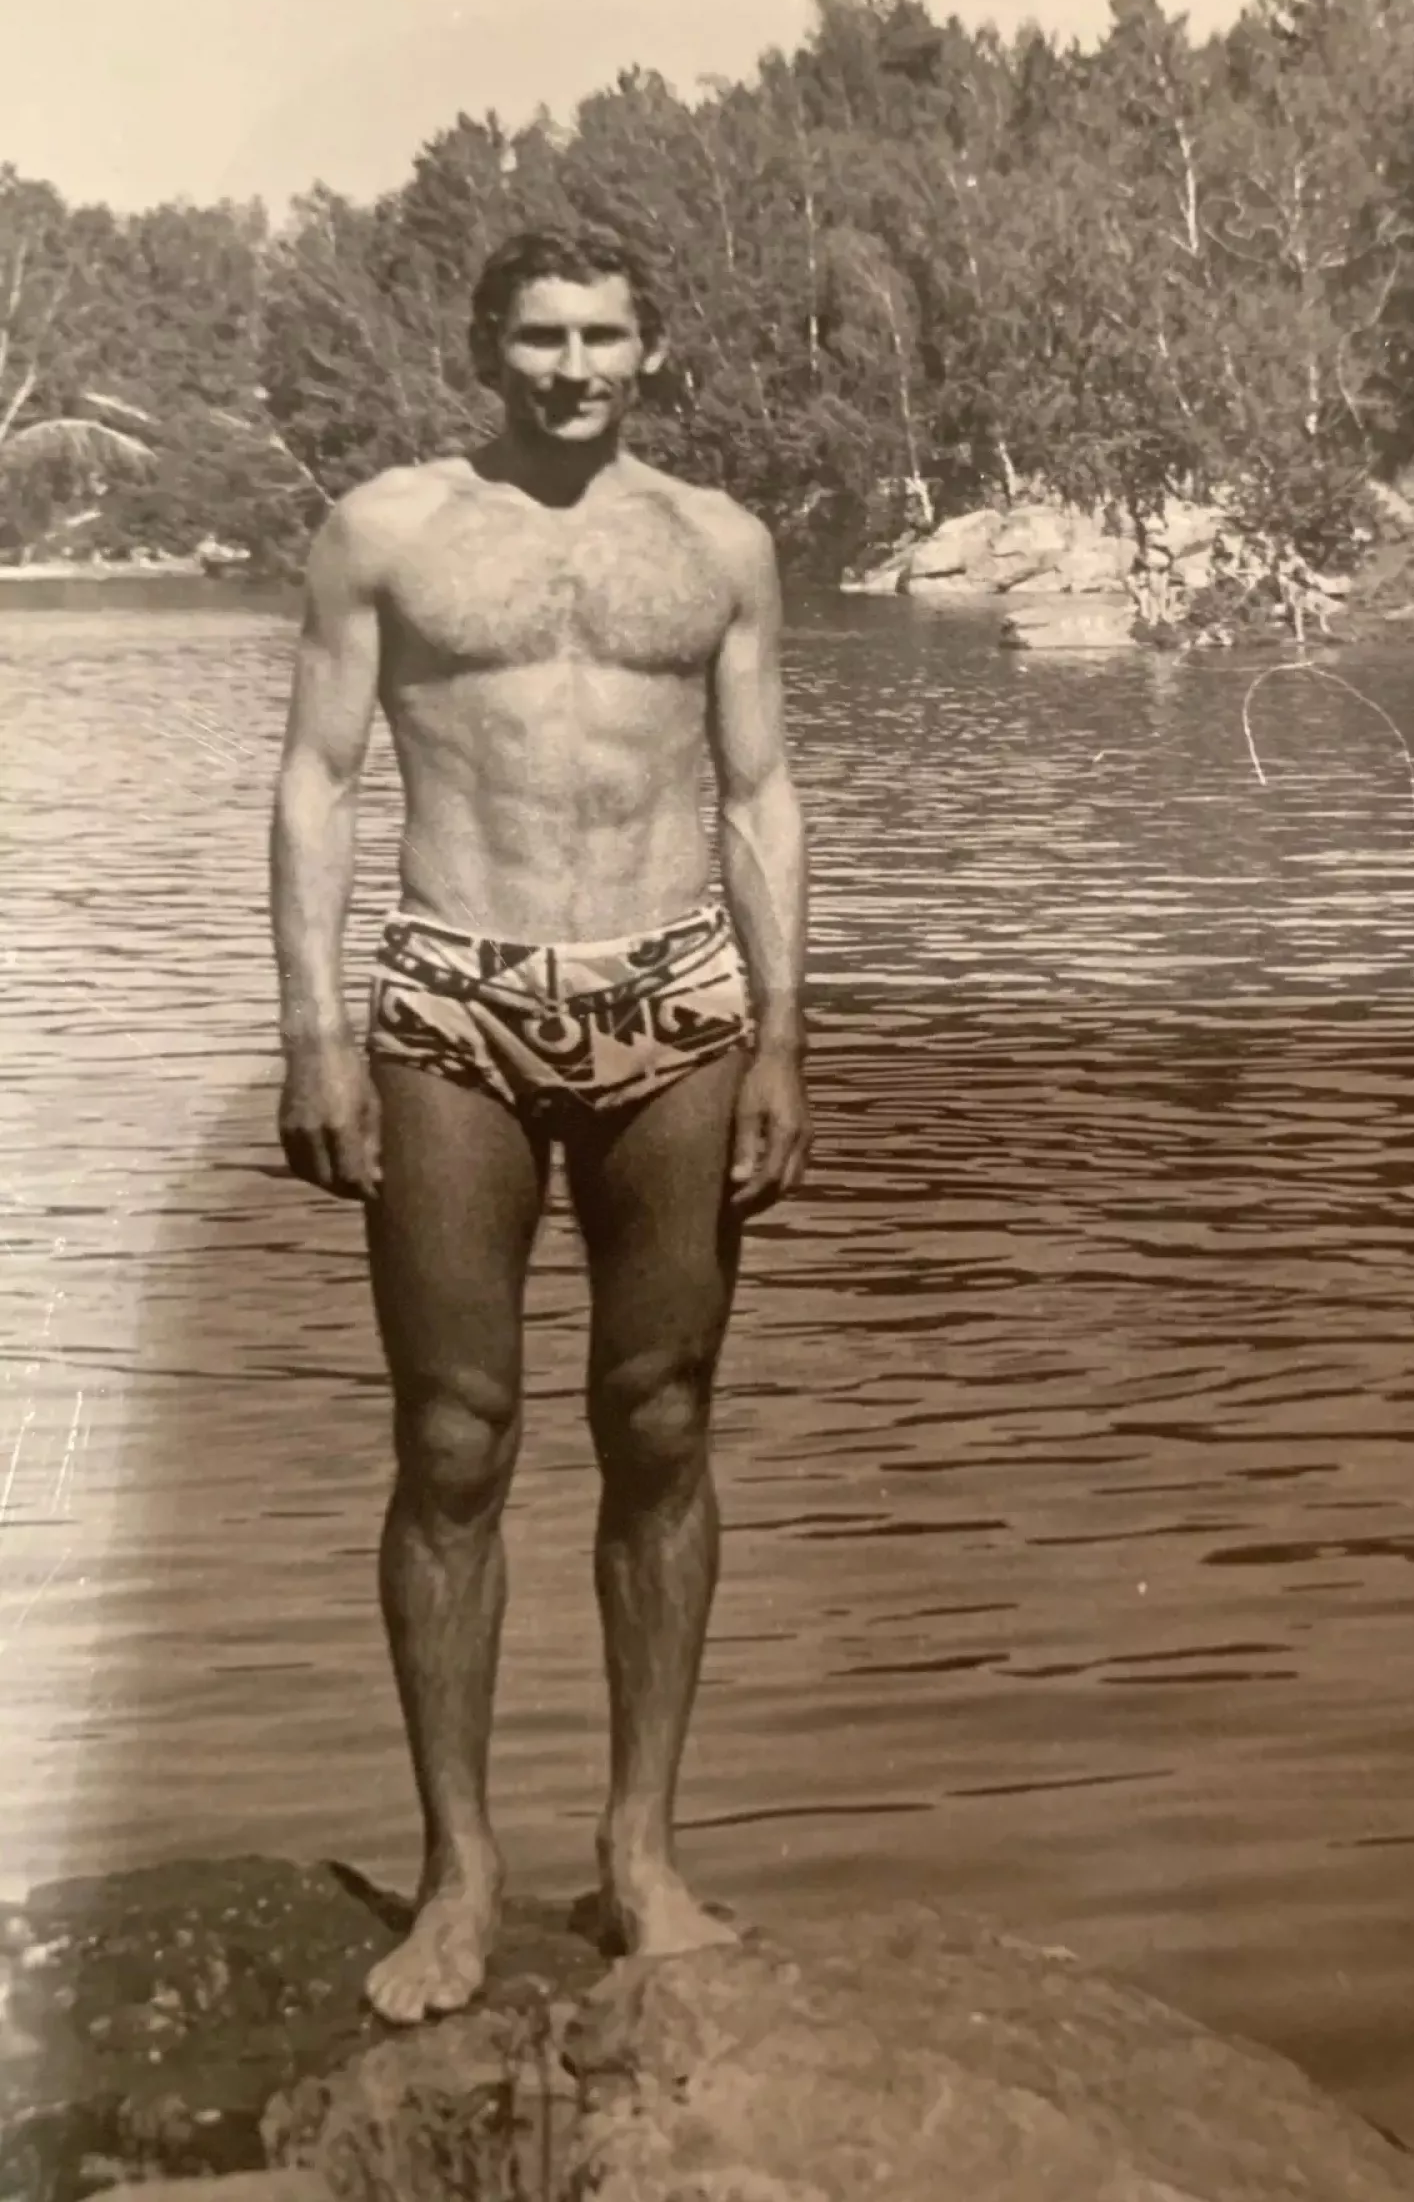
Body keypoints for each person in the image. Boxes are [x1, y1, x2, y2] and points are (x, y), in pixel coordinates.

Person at [267, 225, 810, 2026]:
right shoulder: (390, 529)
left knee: (662, 1417)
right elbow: (319, 779)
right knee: (453, 1436)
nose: (575, 369)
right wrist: (314, 1033)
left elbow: (759, 791)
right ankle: (460, 1876)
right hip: (451, 998)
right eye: (541, 338)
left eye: (605, 337)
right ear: (485, 347)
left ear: (654, 348)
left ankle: (641, 1855)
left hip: (675, 999)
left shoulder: (717, 543)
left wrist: (786, 1033)